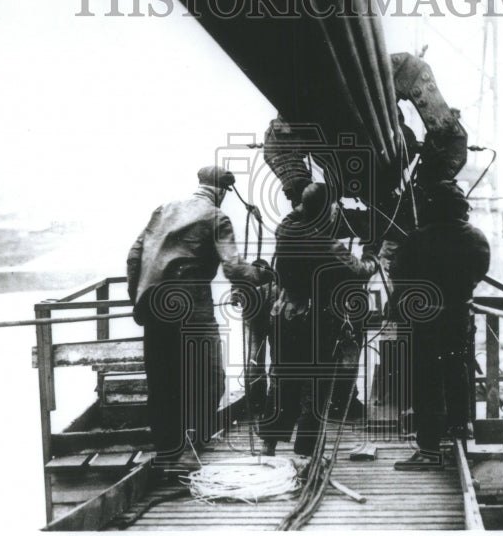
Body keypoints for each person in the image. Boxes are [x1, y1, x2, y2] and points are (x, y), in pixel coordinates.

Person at [127, 165, 273, 463]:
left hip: (154, 305)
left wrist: (139, 298)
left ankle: (168, 451)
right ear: (221, 191)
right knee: (210, 377)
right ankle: (194, 446)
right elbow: (233, 268)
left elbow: (134, 256)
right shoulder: (216, 216)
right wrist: (262, 275)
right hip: (191, 306)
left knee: (162, 379)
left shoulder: (164, 209)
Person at [258, 182, 380, 457]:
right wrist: (373, 252)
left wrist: (317, 202)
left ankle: (269, 444)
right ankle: (306, 452)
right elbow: (360, 271)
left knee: (282, 381)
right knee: (316, 387)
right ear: (326, 212)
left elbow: (301, 212)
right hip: (315, 322)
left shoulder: (286, 228)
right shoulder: (328, 246)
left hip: (285, 315)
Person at [390, 180, 490, 470]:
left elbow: (400, 274)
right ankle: (460, 430)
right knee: (457, 370)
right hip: (458, 315)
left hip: (426, 319)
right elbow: (478, 271)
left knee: (427, 379)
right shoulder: (477, 238)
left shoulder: (417, 239)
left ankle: (429, 450)